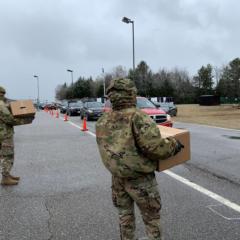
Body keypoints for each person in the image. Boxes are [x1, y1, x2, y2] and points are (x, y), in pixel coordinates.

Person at [95, 78, 183, 240]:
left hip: (117, 180)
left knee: (125, 217)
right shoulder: (138, 118)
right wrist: (174, 145)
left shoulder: (103, 120)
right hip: (141, 180)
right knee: (151, 219)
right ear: (131, 94)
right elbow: (155, 148)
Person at [0, 86, 34, 185]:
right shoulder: (1, 105)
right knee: (7, 155)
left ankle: (6, 174)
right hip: (4, 134)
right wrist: (27, 120)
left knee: (3, 154)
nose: (3, 96)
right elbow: (9, 119)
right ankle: (5, 178)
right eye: (2, 94)